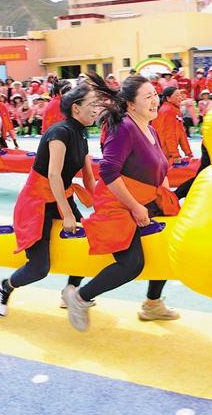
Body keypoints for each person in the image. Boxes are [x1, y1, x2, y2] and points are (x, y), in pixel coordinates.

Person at [62, 76, 181, 332]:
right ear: (131, 104)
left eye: (155, 94)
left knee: (166, 244)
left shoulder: (151, 129)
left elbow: (160, 169)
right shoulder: (124, 128)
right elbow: (108, 171)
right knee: (132, 264)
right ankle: (80, 297)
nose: (155, 100)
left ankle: (153, 303)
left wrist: (165, 196)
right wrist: (135, 207)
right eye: (147, 96)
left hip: (148, 199)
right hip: (118, 203)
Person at [0, 79, 101, 318]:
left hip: (62, 195)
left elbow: (89, 177)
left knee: (87, 243)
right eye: (92, 104)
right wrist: (68, 214)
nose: (97, 109)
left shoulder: (82, 134)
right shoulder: (59, 132)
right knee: (39, 268)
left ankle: (70, 292)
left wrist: (102, 206)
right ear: (76, 108)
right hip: (38, 200)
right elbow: (53, 174)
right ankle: (5, 287)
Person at [152, 87, 193, 164]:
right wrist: (175, 155)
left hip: (166, 152)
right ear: (168, 98)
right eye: (177, 95)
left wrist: (189, 153)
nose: (180, 97)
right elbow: (170, 135)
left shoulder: (174, 110)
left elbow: (182, 134)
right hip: (163, 154)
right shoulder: (168, 111)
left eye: (180, 95)